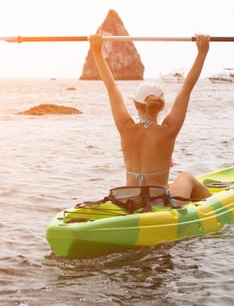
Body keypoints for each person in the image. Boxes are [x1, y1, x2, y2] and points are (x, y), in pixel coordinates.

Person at [89, 34, 212, 203]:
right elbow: (187, 87)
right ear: (161, 105)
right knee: (187, 177)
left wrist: (96, 51)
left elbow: (111, 86)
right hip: (160, 201)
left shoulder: (125, 127)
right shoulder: (168, 130)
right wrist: (202, 53)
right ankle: (213, 204)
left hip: (130, 200)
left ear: (135, 104)